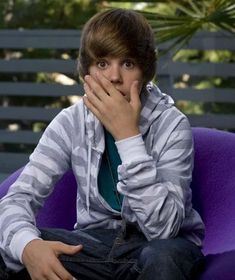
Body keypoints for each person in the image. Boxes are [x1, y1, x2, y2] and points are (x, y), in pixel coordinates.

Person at [0, 8, 205, 280]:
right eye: (102, 64)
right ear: (87, 71)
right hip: (92, 246)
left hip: (158, 248)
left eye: (128, 63)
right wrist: (28, 246)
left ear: (145, 70)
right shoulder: (71, 122)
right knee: (13, 247)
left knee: (163, 257)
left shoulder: (171, 125)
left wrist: (128, 136)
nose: (114, 77)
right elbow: (18, 199)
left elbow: (163, 229)